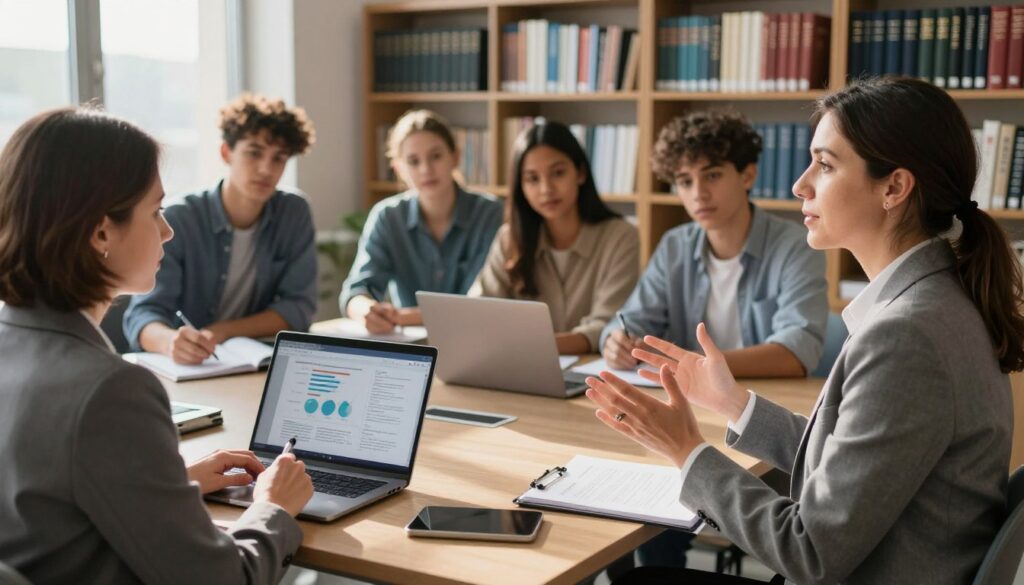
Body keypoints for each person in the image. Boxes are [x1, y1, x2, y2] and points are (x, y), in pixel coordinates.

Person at [586, 77, 1023, 584]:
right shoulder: (935, 299)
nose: (800, 184)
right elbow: (854, 464)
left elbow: (809, 552)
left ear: (895, 187)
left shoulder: (907, 336)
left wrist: (688, 450)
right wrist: (734, 404)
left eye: (826, 164)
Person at [0, 107, 314, 583]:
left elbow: (51, 500)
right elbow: (222, 580)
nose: (167, 230)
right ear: (102, 231)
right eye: (156, 211)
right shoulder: (113, 391)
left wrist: (172, 483)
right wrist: (274, 506)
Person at [600, 111, 827, 377]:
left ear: (748, 176)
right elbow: (632, 321)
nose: (698, 194)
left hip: (763, 400)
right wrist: (615, 342)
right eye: (685, 181)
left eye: (712, 176)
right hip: (690, 399)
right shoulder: (675, 246)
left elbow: (796, 354)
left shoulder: (795, 247)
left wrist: (694, 365)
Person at [124, 93, 318, 364]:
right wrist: (172, 342)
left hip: (254, 363)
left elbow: (298, 308)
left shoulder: (293, 213)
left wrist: (220, 332)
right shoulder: (179, 218)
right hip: (188, 369)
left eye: (279, 158)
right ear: (226, 153)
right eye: (254, 153)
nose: (266, 168)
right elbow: (143, 314)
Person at [473, 121, 639, 355]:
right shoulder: (510, 238)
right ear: (521, 186)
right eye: (532, 178)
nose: (546, 189)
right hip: (518, 369)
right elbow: (478, 310)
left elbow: (607, 327)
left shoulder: (621, 237)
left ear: (580, 173)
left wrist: (526, 346)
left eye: (558, 173)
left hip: (590, 377)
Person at [340, 109, 503, 333]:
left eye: (436, 156)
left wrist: (399, 317)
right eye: (413, 161)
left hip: (473, 337)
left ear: (454, 157)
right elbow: (357, 289)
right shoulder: (388, 216)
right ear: (399, 169)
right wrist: (366, 310)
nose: (426, 169)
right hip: (409, 344)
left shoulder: (490, 213)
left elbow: (478, 305)